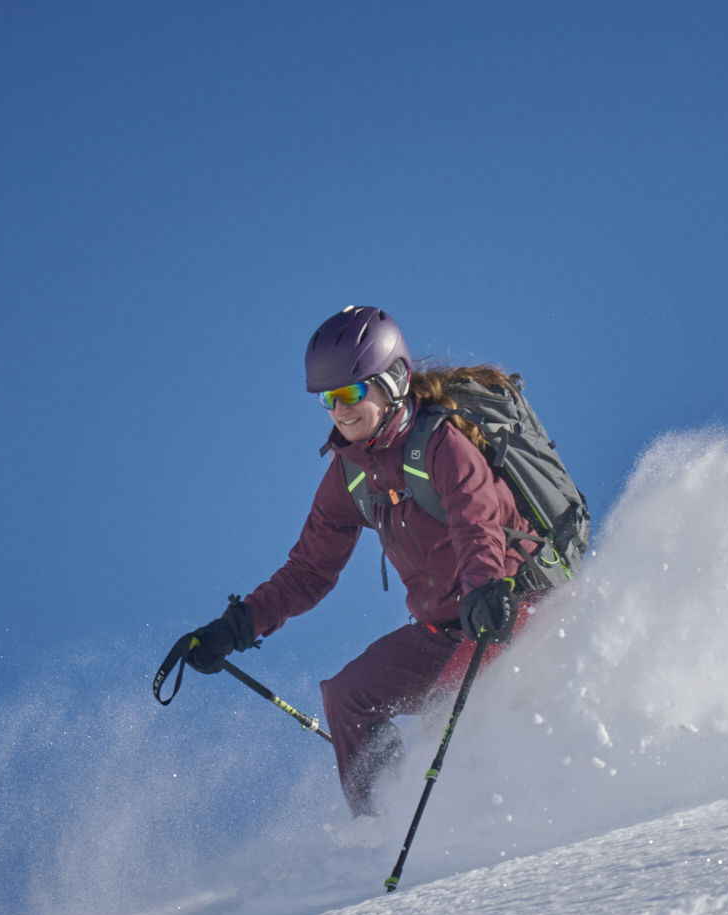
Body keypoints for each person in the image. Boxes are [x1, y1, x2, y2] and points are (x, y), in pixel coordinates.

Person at [178, 306, 535, 817]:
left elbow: (477, 520)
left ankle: (481, 828)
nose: (339, 410)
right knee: (348, 697)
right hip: (443, 629)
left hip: (507, 609)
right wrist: (233, 628)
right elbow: (308, 571)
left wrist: (485, 587)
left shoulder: (441, 444)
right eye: (327, 398)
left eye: (350, 392)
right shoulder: (349, 473)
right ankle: (376, 832)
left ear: (392, 380)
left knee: (449, 715)